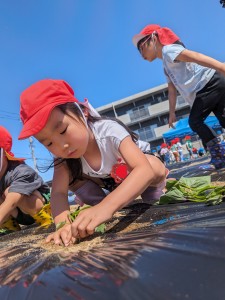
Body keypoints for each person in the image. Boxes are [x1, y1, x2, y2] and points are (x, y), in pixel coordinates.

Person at [18, 79, 168, 246]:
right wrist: (63, 225)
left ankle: (155, 191)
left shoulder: (108, 131)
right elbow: (59, 193)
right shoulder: (63, 158)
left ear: (84, 112)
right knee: (73, 181)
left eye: (63, 130)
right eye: (49, 143)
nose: (62, 146)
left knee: (153, 166)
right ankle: (96, 206)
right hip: (109, 182)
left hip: (136, 171)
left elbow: (144, 170)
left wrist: (107, 207)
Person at [132, 24, 225, 169]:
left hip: (208, 83)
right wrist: (171, 113)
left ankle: (220, 156)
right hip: (214, 82)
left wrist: (221, 66)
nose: (141, 53)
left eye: (141, 46)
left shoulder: (169, 51)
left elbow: (195, 56)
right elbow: (171, 90)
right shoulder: (166, 66)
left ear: (154, 38)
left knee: (195, 121)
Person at [0, 126, 52, 235]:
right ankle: (9, 226)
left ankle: (46, 219)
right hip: (17, 215)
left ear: (4, 153)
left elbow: (11, 202)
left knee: (9, 191)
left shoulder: (20, 171)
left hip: (37, 207)